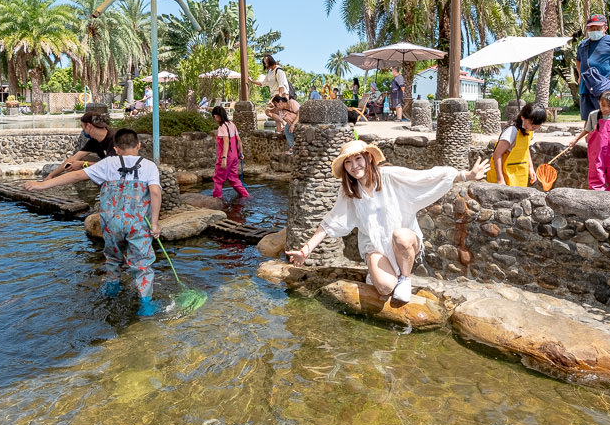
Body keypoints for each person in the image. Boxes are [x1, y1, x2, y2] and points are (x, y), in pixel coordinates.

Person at [286, 140, 490, 303]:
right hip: (374, 246)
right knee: (384, 288)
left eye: (358, 159)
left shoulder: (389, 176)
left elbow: (425, 178)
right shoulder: (350, 192)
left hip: (404, 242)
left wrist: (466, 175)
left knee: (400, 236)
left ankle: (405, 278)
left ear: (368, 158)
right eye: (348, 162)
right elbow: (331, 222)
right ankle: (380, 273)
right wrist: (305, 251)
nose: (354, 165)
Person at [24, 128, 160, 314]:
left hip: (111, 224)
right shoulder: (149, 166)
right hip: (137, 225)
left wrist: (42, 185)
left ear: (116, 148)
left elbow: (77, 175)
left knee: (113, 258)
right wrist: (155, 223)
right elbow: (155, 192)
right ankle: (145, 305)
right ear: (138, 145)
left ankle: (111, 291)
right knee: (142, 264)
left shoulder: (108, 163)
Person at [566, 90, 610, 192]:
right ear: (599, 102)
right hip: (598, 150)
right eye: (603, 105)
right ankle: (597, 192)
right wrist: (575, 140)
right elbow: (586, 130)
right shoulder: (593, 115)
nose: (606, 109)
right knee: (596, 169)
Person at [487, 103, 547, 186]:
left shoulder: (530, 131)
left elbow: (526, 149)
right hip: (503, 174)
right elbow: (497, 154)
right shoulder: (512, 131)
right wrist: (500, 179)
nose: (534, 127)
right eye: (532, 124)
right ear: (523, 117)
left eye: (537, 125)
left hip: (518, 173)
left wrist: (531, 168)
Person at [46, 112, 117, 180]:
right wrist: (51, 175)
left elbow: (110, 166)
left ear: (89, 126)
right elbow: (74, 158)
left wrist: (83, 164)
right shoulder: (94, 141)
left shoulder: (115, 139)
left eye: (83, 127)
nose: (83, 131)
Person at [211, 106, 250, 199]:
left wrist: (223, 158)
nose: (215, 119)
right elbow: (239, 140)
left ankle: (217, 199)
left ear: (216, 116)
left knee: (218, 179)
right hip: (235, 156)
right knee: (234, 178)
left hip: (226, 156)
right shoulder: (232, 124)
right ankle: (246, 196)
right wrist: (241, 153)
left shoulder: (222, 127)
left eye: (214, 117)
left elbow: (226, 141)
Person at [253, 55, 290, 130]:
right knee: (276, 115)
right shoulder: (270, 72)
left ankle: (284, 124)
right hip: (274, 95)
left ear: (270, 61)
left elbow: (281, 85)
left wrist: (279, 98)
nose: (265, 64)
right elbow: (263, 83)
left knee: (268, 111)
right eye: (264, 63)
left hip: (281, 95)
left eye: (266, 62)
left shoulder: (279, 70)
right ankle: (279, 132)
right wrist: (252, 81)